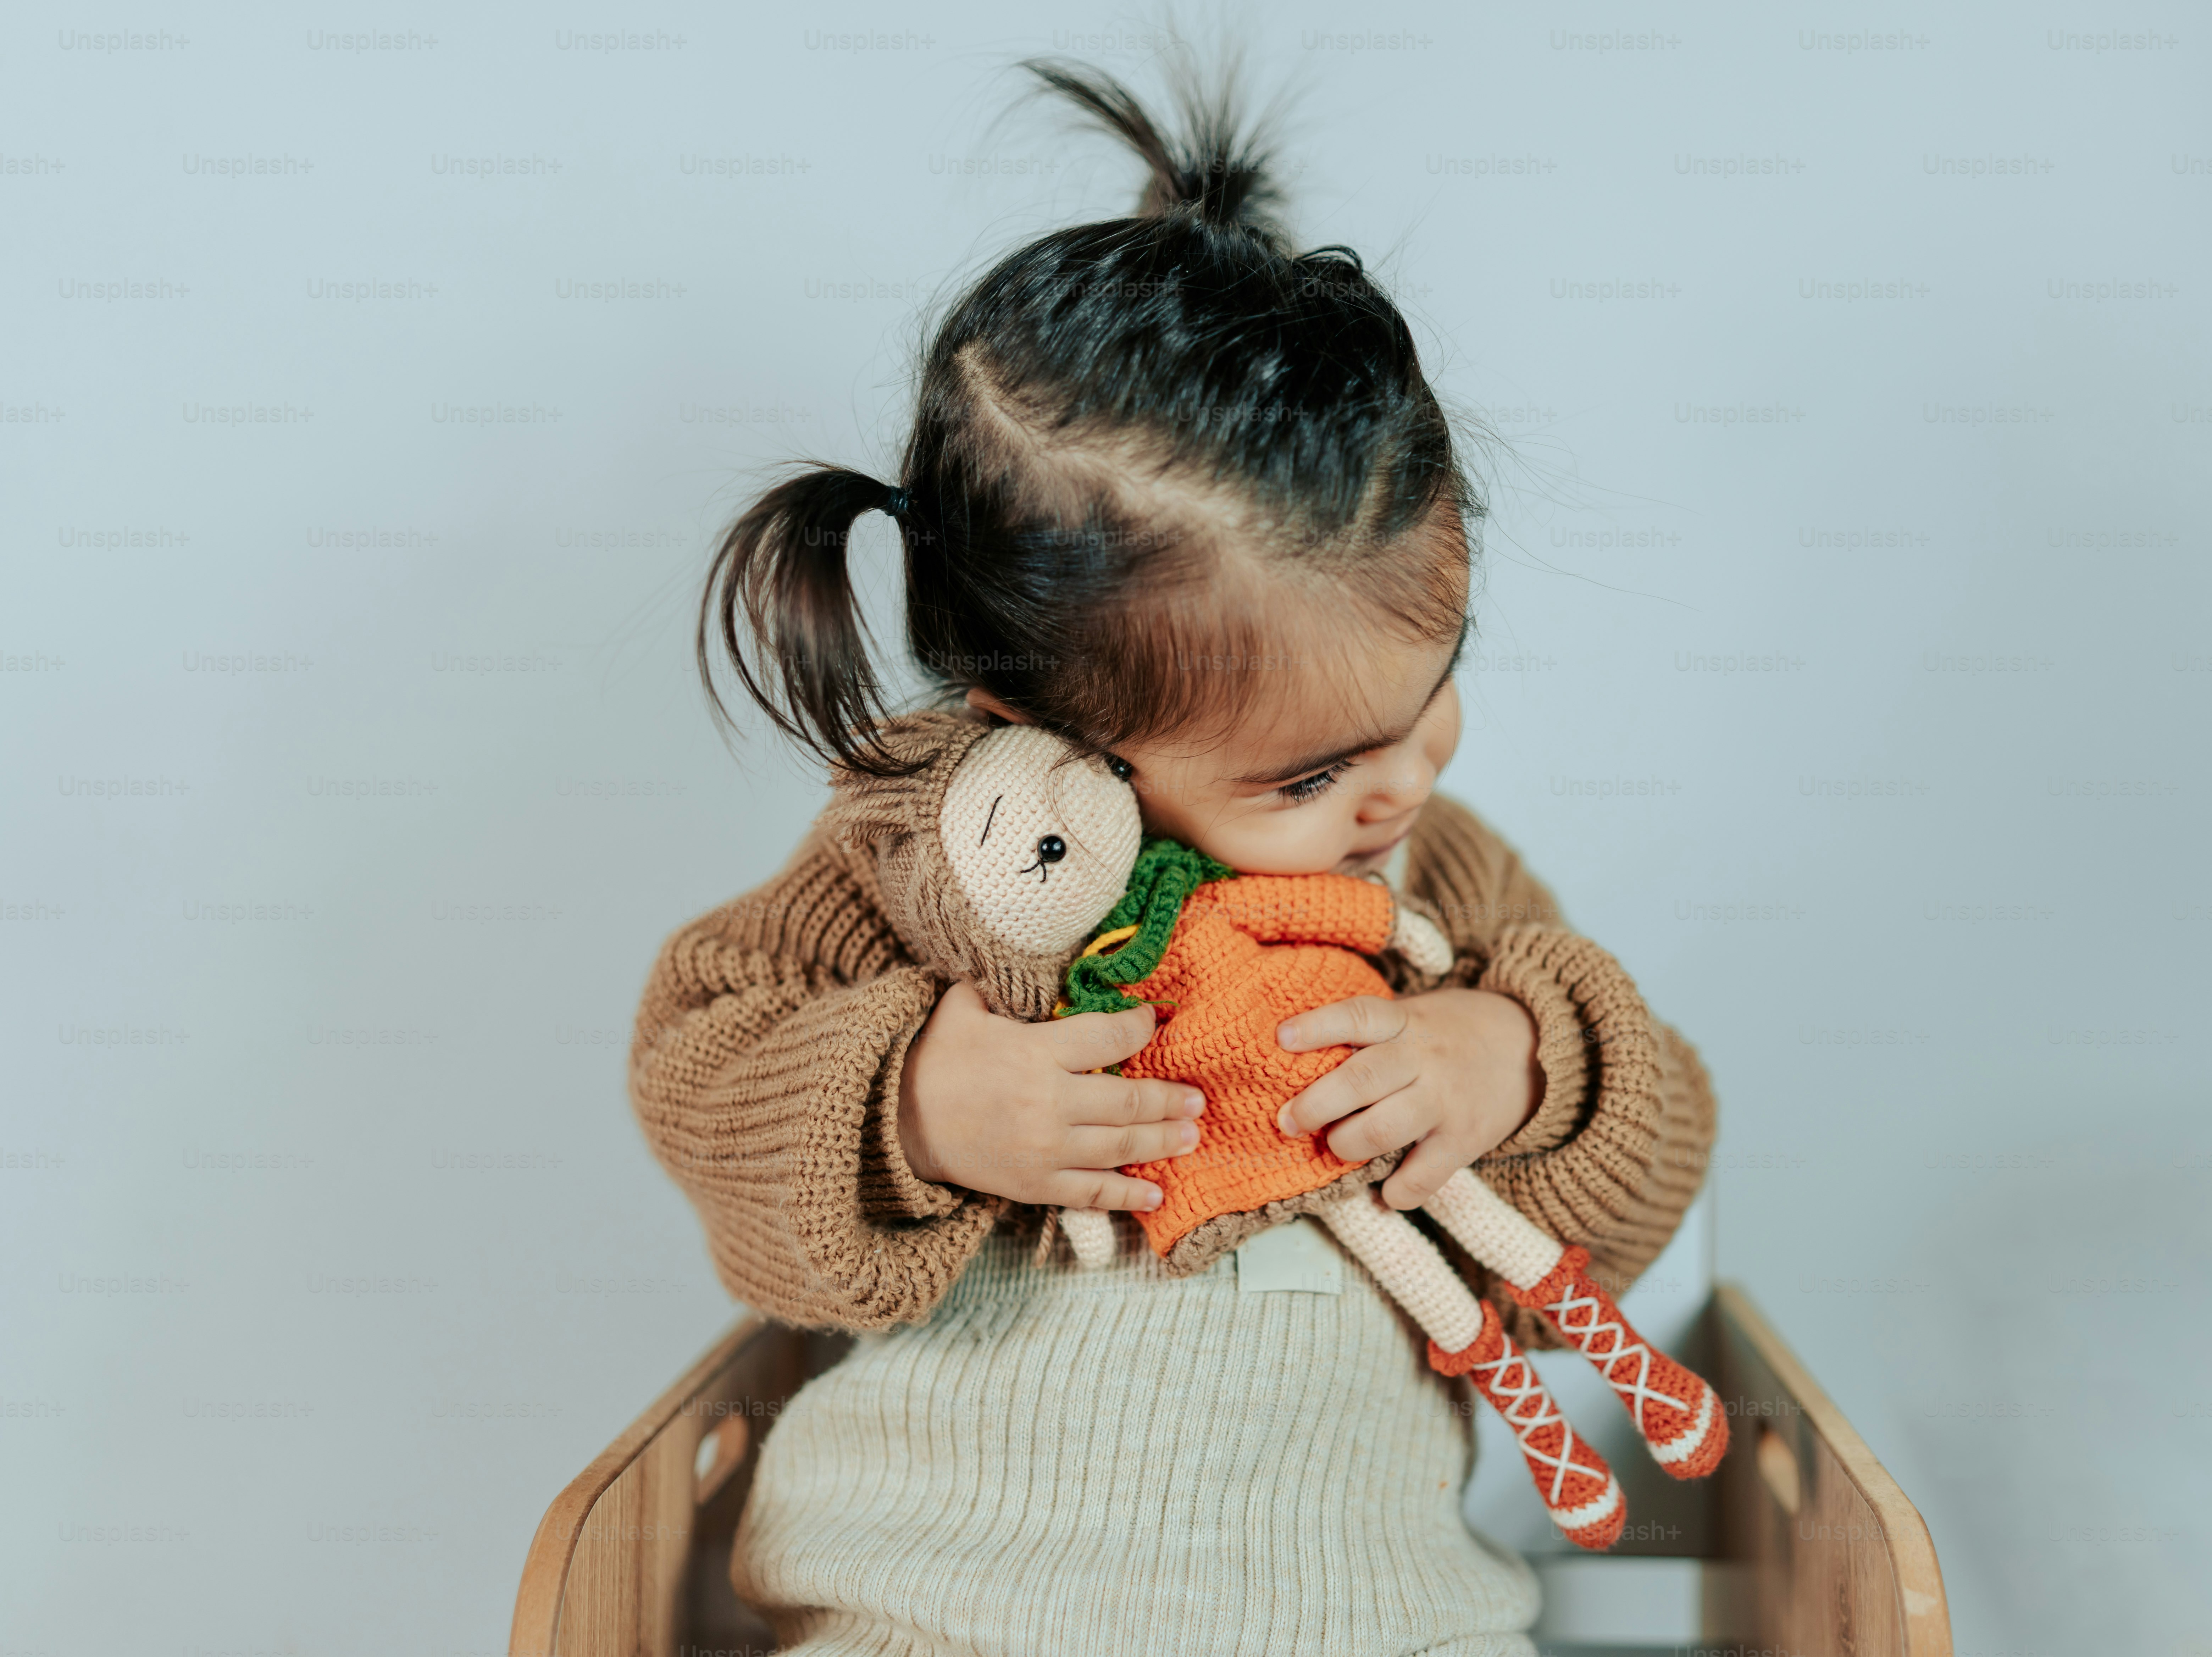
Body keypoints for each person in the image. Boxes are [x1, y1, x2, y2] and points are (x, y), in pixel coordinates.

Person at [628, 51, 1717, 1656]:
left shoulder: (1434, 885)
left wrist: (1523, 1062)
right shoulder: (927, 867)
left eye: (1433, 694)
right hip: (932, 1600)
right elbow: (699, 1061)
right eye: (1314, 771)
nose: (1405, 781)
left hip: (1368, 1619)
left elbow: (1659, 1150)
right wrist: (913, 1103)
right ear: (1045, 726)